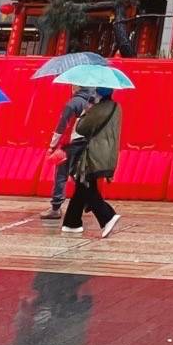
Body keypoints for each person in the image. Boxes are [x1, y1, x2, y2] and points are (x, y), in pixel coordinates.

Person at [59, 86, 123, 239]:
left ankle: (107, 216)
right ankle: (72, 223)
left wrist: (86, 112)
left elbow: (81, 128)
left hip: (93, 153)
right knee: (83, 186)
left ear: (98, 93)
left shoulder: (98, 109)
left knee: (87, 186)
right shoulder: (116, 107)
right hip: (106, 152)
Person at [39, 85, 97, 223]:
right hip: (85, 143)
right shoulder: (93, 104)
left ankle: (55, 208)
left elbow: (61, 127)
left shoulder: (72, 104)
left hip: (69, 145)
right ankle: (89, 201)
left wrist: (52, 145)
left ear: (76, 87)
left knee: (61, 174)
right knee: (78, 174)